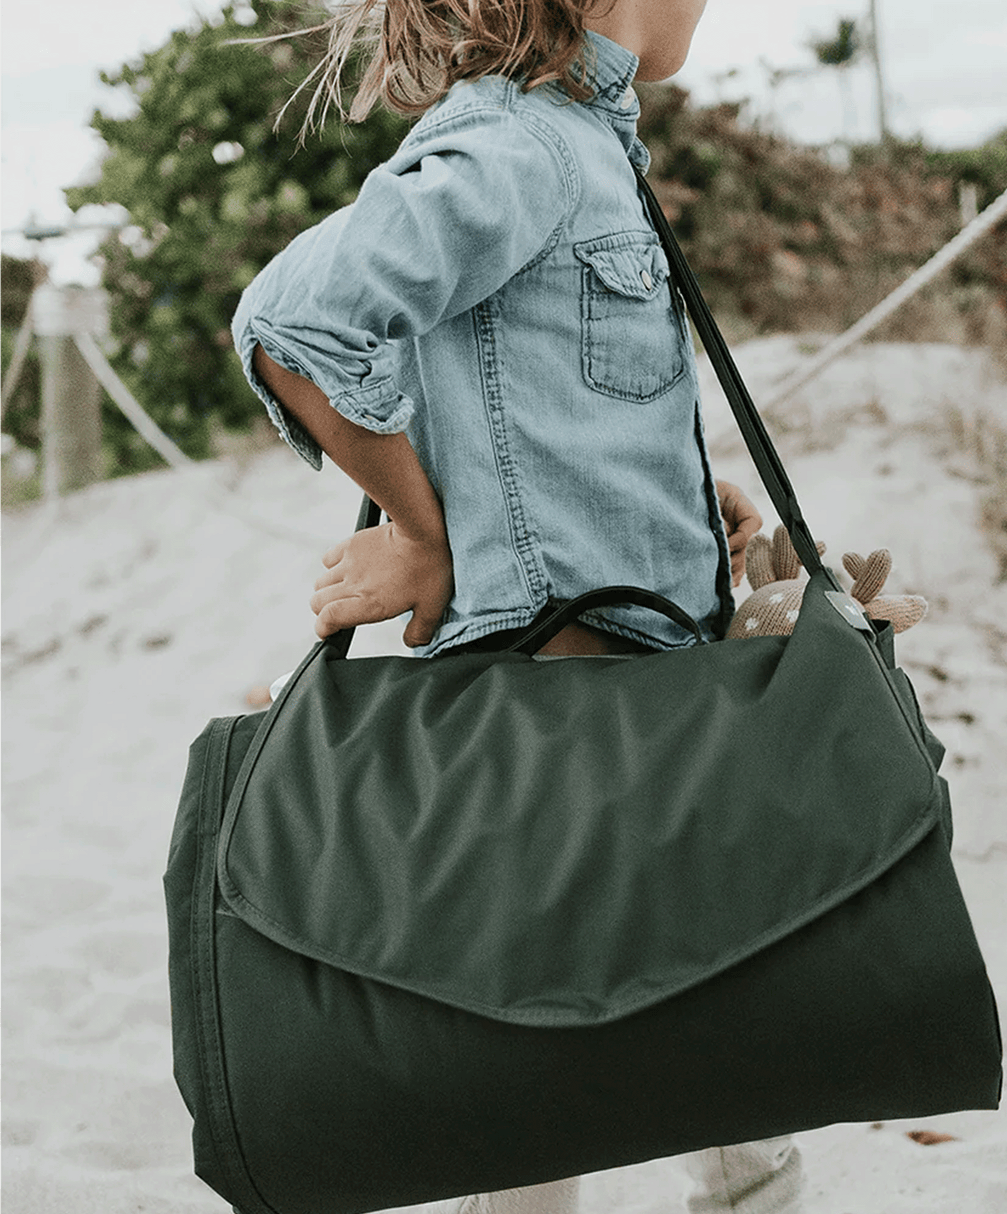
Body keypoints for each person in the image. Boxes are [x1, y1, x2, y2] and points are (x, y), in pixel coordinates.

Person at [233, 1, 803, 1209]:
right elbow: (294, 324)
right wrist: (422, 535)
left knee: (650, 1051)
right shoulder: (521, 145)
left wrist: (674, 498)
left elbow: (526, 394)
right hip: (568, 700)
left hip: (637, 682)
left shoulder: (581, 139)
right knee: (570, 1069)